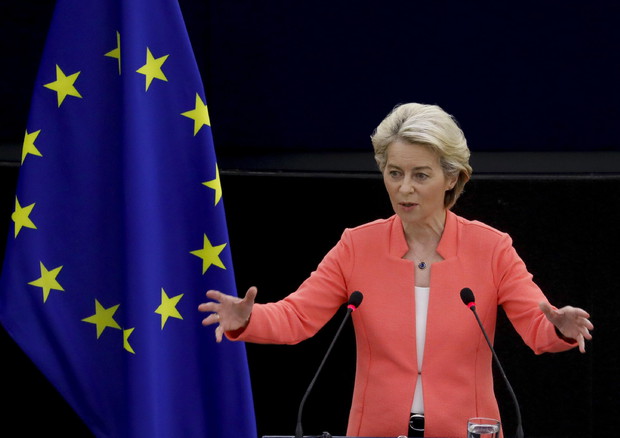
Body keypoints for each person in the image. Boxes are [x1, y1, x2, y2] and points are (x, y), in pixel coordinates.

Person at [198, 102, 593, 438]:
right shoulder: (357, 246)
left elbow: (537, 326)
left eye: (421, 175)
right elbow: (298, 316)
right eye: (394, 173)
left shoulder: (491, 249)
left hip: (469, 430)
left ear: (451, 177)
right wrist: (248, 318)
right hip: (376, 429)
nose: (405, 188)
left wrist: (560, 326)